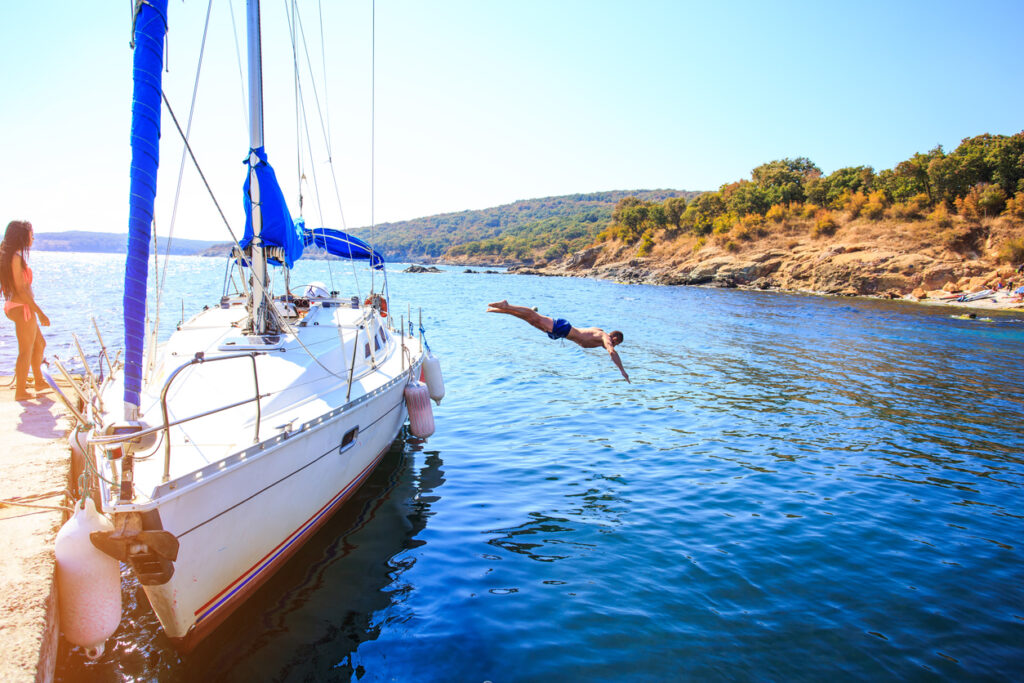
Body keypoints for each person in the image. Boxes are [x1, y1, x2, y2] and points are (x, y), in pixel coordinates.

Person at [486, 300, 629, 382]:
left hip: (560, 334)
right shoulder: (605, 337)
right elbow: (611, 351)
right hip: (565, 328)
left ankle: (503, 310)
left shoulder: (600, 339)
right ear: (615, 338)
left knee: (532, 321)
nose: (614, 345)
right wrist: (622, 371)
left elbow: (609, 350)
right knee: (534, 316)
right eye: (617, 343)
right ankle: (507, 305)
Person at [1, 221, 49, 400]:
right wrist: (40, 312)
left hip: (23, 307)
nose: (33, 237)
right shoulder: (14, 258)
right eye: (31, 234)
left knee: (40, 344)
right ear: (22, 236)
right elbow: (21, 291)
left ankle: (38, 381)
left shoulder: (15, 256)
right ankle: (20, 392)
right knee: (26, 350)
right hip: (22, 308)